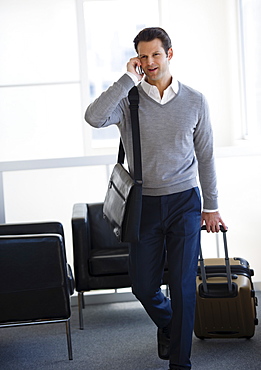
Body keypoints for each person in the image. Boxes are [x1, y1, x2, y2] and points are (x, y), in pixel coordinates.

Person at [85, 27, 227, 370]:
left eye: (156, 55)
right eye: (142, 56)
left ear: (170, 55)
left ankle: (180, 362)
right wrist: (124, 79)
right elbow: (93, 117)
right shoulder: (127, 99)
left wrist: (212, 206)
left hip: (185, 204)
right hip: (144, 205)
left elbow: (205, 156)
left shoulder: (195, 100)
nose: (149, 62)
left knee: (182, 287)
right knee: (144, 287)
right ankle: (169, 324)